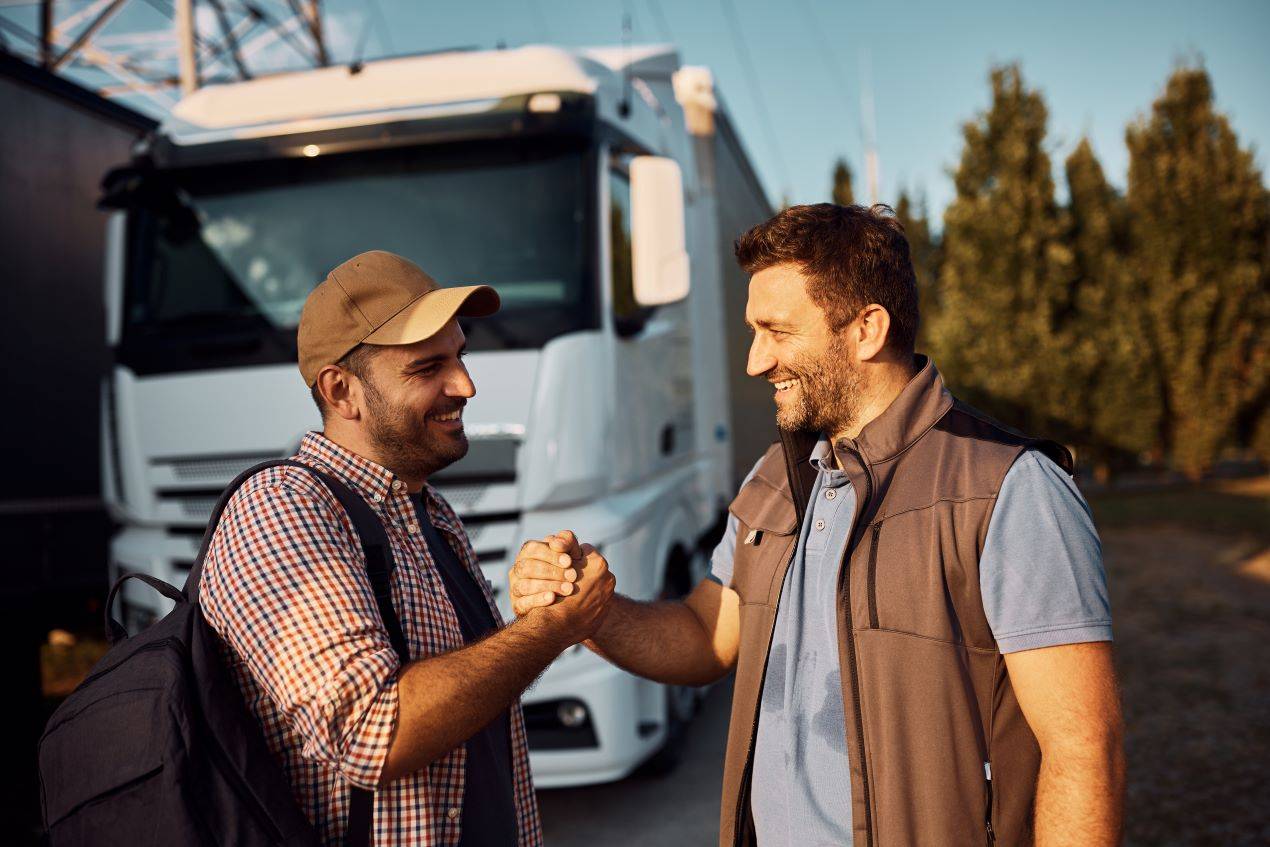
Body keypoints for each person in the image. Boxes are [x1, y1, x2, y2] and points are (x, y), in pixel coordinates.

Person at [511, 205, 1124, 846]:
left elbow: (1084, 751)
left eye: (777, 331)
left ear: (866, 330)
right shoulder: (774, 479)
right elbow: (704, 637)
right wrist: (590, 612)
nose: (755, 361)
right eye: (755, 332)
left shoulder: (1009, 486)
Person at [201, 250, 614, 846]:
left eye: (460, 357)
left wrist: (540, 604)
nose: (465, 386)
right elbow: (372, 734)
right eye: (428, 369)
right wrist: (550, 629)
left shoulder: (430, 514)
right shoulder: (283, 508)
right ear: (342, 392)